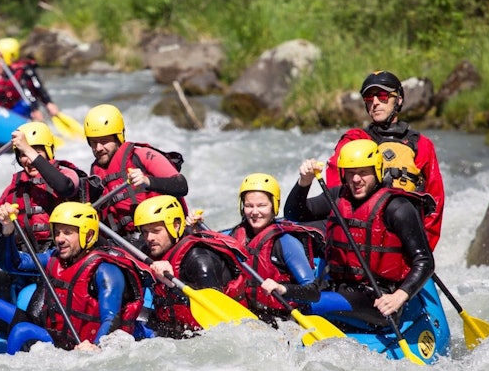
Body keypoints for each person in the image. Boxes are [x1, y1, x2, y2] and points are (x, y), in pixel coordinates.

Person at [284, 139, 435, 327]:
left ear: (377, 170)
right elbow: (294, 214)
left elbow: (425, 261)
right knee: (286, 298)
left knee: (306, 307)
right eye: (351, 173)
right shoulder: (338, 195)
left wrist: (399, 296)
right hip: (337, 286)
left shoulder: (398, 207)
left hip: (377, 298)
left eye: (363, 173)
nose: (356, 180)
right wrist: (304, 182)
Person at [0, 201, 146, 353]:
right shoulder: (53, 258)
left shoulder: (106, 271)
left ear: (88, 235)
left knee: (22, 331)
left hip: (82, 345)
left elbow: (110, 319)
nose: (59, 239)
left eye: (67, 233)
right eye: (57, 232)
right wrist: (7, 231)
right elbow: (11, 264)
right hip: (54, 334)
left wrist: (95, 347)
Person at [325, 70, 445, 249]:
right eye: (369, 98)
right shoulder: (353, 140)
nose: (375, 103)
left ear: (398, 100)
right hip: (360, 236)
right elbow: (335, 190)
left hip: (403, 238)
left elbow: (436, 202)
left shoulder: (421, 145)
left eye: (382, 96)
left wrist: (422, 249)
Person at [0, 122, 92, 301]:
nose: (28, 159)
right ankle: (2, 326)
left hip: (60, 257)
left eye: (35, 152)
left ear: (49, 151)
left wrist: (27, 148)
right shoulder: (15, 187)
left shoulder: (66, 173)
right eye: (23, 154)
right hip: (28, 261)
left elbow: (65, 187)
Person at [132, 195, 244, 338]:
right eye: (145, 232)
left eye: (156, 231)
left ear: (175, 226)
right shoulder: (149, 252)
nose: (149, 238)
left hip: (202, 335)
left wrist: (172, 285)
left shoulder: (198, 259)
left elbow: (214, 314)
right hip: (172, 331)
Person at [222, 173, 323, 322]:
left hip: (282, 320)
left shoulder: (286, 242)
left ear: (274, 206)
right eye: (249, 206)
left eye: (262, 205)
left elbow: (313, 293)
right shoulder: (236, 235)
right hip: (248, 316)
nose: (255, 212)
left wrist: (283, 289)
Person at [84, 103, 188, 241]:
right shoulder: (96, 172)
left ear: (118, 137)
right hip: (124, 242)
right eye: (93, 142)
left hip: (158, 236)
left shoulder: (141, 155)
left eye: (104, 141)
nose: (98, 148)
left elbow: (181, 185)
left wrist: (147, 181)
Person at [0, 37, 61, 122]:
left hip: (19, 109)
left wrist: (46, 103)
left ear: (11, 56)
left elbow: (35, 87)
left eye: (1, 57)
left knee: (25, 105)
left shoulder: (22, 70)